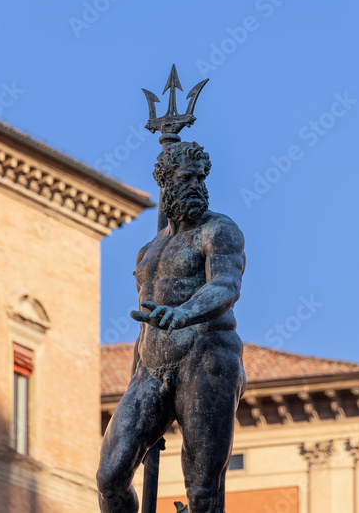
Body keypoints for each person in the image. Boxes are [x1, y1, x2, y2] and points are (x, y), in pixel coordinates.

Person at [97, 141, 246, 513]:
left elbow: (225, 285)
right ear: (166, 181)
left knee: (202, 491)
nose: (196, 185)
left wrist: (186, 312)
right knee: (110, 477)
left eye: (201, 178)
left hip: (206, 359)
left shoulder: (218, 230)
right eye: (187, 177)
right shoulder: (148, 250)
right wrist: (136, 372)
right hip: (151, 369)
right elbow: (146, 323)